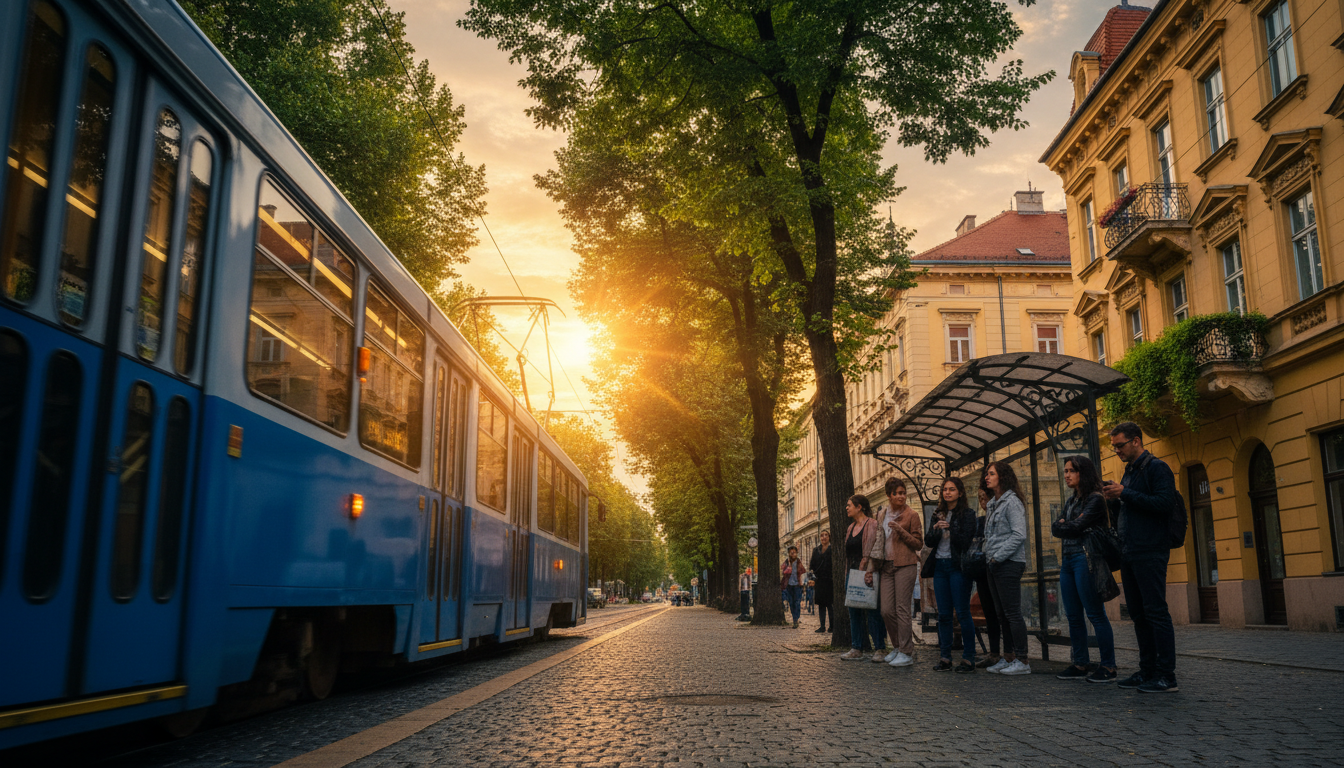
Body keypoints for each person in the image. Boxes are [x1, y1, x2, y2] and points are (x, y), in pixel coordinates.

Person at [1103, 422, 1179, 693]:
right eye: (1114, 447)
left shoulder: (1157, 468)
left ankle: (1166, 675)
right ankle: (1147, 669)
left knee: (1156, 612)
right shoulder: (1130, 471)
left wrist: (1126, 493)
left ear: (1136, 441)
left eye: (1120, 445)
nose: (1117, 451)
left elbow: (1164, 503)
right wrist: (1114, 497)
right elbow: (1131, 506)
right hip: (1130, 551)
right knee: (1138, 613)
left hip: (1150, 550)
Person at [1052, 455, 1118, 683]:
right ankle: (1080, 663)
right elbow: (1056, 527)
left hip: (1086, 558)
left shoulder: (1095, 499)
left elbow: (1075, 526)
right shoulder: (1071, 501)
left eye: (1071, 470)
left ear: (1083, 472)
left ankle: (1108, 666)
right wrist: (1065, 525)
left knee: (1095, 614)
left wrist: (1066, 525)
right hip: (1068, 560)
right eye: (1065, 471)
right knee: (1073, 615)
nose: (1067, 475)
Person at [925, 477, 979, 672]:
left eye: (952, 489)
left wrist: (950, 528)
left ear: (960, 493)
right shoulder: (938, 513)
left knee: (963, 612)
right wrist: (936, 530)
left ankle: (968, 658)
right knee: (944, 614)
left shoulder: (967, 514)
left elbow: (966, 541)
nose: (947, 493)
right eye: (945, 489)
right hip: (940, 566)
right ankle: (945, 657)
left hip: (958, 567)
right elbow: (929, 541)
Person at [983, 461, 1031, 676]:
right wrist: (989, 556)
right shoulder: (993, 503)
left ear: (1002, 476)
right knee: (1002, 614)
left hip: (1008, 563)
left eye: (991, 473)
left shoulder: (1012, 502)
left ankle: (1023, 659)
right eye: (987, 474)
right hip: (994, 563)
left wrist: (997, 557)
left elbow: (1019, 534)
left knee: (1012, 613)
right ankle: (1009, 656)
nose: (987, 477)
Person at [869, 478, 923, 668]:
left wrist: (901, 530)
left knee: (902, 609)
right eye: (897, 493)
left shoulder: (912, 515)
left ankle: (907, 652)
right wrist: (872, 567)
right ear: (889, 495)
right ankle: (897, 646)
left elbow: (918, 543)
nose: (901, 496)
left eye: (903, 493)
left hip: (905, 565)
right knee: (886, 610)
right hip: (886, 566)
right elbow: (877, 541)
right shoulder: (882, 514)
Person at [839, 495, 887, 660]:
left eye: (849, 505)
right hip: (852, 574)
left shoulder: (872, 524)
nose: (847, 508)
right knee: (854, 612)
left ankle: (880, 648)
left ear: (859, 507)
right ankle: (856, 648)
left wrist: (867, 569)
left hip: (867, 573)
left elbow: (874, 548)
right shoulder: (850, 527)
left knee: (872, 611)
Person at [972, 486, 1003, 669]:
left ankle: (1010, 653)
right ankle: (993, 652)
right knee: (989, 612)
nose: (983, 503)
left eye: (985, 498)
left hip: (998, 567)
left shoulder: (999, 517)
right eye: (980, 499)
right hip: (982, 571)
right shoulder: (980, 521)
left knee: (1003, 612)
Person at [810, 531, 834, 633]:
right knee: (821, 604)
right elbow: (812, 565)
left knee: (830, 604)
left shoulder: (832, 549)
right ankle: (822, 626)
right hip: (819, 580)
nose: (823, 537)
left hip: (830, 580)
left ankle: (832, 626)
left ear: (829, 537)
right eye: (821, 535)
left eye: (826, 535)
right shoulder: (816, 550)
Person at [781, 545, 806, 628]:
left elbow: (803, 572)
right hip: (789, 586)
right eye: (791, 553)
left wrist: (803, 584)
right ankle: (794, 619)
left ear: (796, 553)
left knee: (797, 603)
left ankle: (796, 618)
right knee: (791, 603)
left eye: (794, 552)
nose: (792, 554)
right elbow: (782, 572)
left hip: (797, 586)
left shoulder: (799, 562)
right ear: (789, 553)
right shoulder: (786, 562)